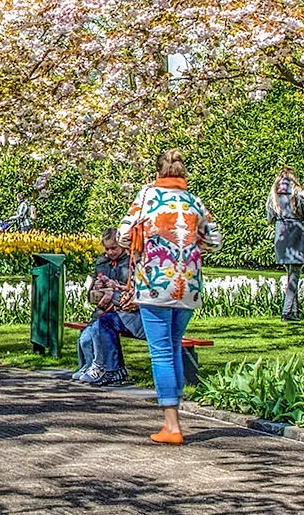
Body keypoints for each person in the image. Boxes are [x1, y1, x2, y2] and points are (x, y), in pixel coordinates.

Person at [123, 148, 222, 445]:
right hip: (188, 284)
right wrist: (192, 248)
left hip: (155, 282)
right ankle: (174, 419)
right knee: (174, 346)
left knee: (162, 352)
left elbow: (124, 233)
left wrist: (148, 241)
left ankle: (172, 425)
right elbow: (214, 240)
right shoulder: (195, 202)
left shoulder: (147, 197)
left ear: (158, 171)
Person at [73, 225, 146, 386]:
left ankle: (104, 367)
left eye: (114, 248)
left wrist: (113, 290)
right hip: (106, 311)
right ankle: (89, 365)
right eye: (107, 249)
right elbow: (91, 295)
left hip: (127, 313)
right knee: (85, 338)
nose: (111, 252)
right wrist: (98, 289)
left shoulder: (131, 263)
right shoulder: (102, 262)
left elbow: (131, 295)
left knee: (101, 327)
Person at [267, 167, 304, 320]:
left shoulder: (274, 195)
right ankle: (286, 312)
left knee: (291, 275)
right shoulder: (298, 193)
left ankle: (294, 313)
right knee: (294, 275)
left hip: (281, 234)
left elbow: (270, 218)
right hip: (296, 234)